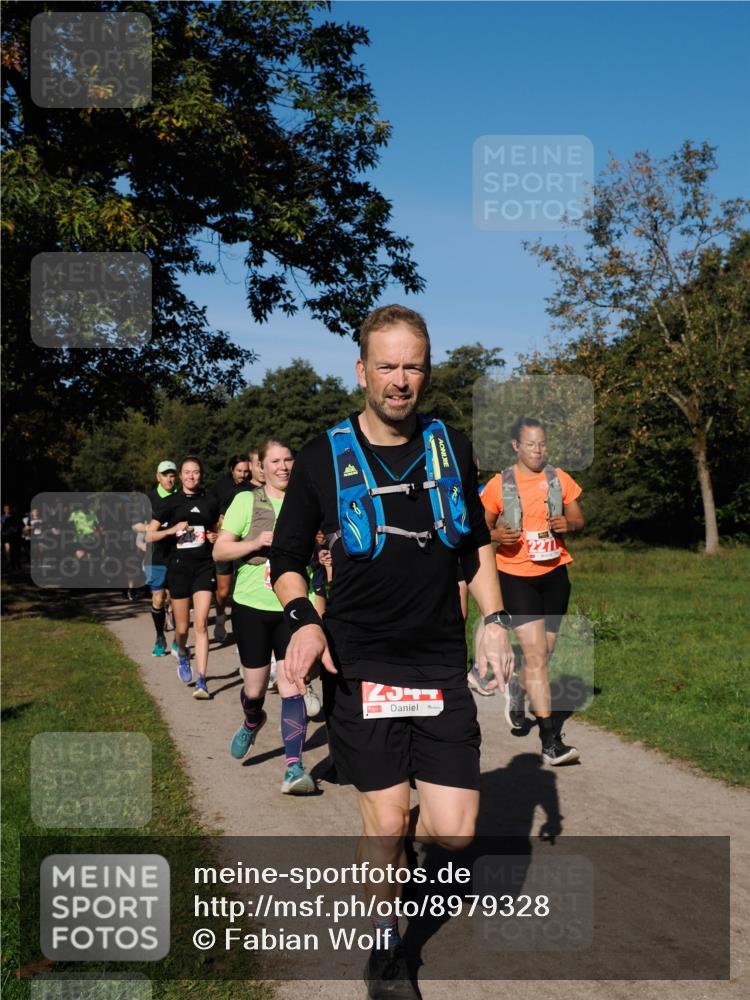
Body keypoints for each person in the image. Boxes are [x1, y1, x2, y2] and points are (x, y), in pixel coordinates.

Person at [270, 304, 515, 997]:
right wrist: (304, 621)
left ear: (425, 371)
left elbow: (473, 543)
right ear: (362, 371)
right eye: (387, 366)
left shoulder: (451, 446)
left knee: (456, 834)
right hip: (362, 659)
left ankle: (404, 830)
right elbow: (286, 559)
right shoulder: (320, 457)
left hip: (437, 661)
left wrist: (494, 618)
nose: (400, 380)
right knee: (382, 824)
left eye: (413, 366)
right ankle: (385, 951)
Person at [213, 439, 318, 795]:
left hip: (293, 607)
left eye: (289, 460)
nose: (283, 467)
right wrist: (256, 542)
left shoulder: (308, 500)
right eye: (275, 461)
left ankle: (294, 768)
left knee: (293, 685)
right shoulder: (247, 501)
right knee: (255, 689)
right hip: (251, 606)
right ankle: (252, 720)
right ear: (261, 466)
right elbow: (220, 550)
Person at [481, 416, 585, 765]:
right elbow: (479, 528)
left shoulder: (559, 478)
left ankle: (517, 688)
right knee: (538, 656)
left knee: (544, 654)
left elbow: (579, 519)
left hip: (554, 574)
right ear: (516, 446)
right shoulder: (499, 484)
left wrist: (568, 523)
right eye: (530, 445)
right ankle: (550, 742)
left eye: (542, 444)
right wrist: (497, 535)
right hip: (515, 576)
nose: (537, 451)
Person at [146, 457, 220, 699]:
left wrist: (214, 536)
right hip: (178, 568)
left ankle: (202, 680)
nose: (191, 476)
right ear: (180, 476)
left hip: (204, 567)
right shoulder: (170, 502)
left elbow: (218, 528)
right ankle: (182, 652)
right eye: (187, 472)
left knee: (201, 623)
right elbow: (149, 535)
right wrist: (171, 530)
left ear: (201, 475)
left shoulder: (210, 501)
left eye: (196, 472)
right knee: (181, 628)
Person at [132, 461, 178, 656]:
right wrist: (150, 528)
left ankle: (178, 640)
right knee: (158, 598)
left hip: (177, 555)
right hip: (155, 555)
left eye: (172, 475)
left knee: (177, 598)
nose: (169, 478)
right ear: (158, 476)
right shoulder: (148, 499)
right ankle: (160, 637)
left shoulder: (181, 496)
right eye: (165, 475)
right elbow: (135, 524)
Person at [210, 455, 253, 643]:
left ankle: (242, 628)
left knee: (242, 589)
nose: (243, 475)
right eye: (239, 471)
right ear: (231, 470)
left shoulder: (252, 489)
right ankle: (220, 620)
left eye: (246, 471)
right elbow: (209, 511)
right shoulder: (220, 487)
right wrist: (215, 527)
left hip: (245, 543)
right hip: (224, 542)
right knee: (223, 591)